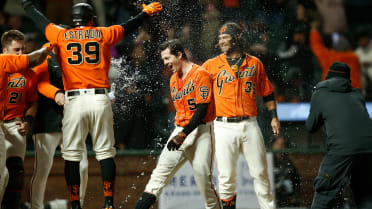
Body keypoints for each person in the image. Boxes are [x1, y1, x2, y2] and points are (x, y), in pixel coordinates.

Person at [21, 1, 163, 208]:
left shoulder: (61, 35)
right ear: (90, 18)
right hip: (99, 98)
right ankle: (108, 204)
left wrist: (26, 5)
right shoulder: (102, 34)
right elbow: (128, 26)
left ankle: (75, 205)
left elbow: (41, 21)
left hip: (74, 100)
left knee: (71, 155)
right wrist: (145, 13)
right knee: (105, 153)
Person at [134, 39, 221, 209]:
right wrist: (180, 133)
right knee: (157, 178)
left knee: (204, 182)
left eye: (167, 58)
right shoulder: (173, 79)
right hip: (181, 130)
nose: (165, 63)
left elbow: (202, 110)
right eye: (163, 60)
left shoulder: (200, 73)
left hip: (202, 131)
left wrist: (182, 135)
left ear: (179, 55)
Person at [202, 22, 280, 209]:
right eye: (220, 38)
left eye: (225, 37)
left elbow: (267, 93)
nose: (221, 41)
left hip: (250, 124)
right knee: (226, 176)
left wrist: (274, 116)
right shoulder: (210, 65)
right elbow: (197, 91)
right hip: (222, 126)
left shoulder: (254, 63)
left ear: (237, 38)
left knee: (261, 172)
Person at [30, 42, 89, 209]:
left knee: (83, 165)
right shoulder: (44, 55)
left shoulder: (77, 57)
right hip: (47, 118)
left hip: (70, 119)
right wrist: (56, 93)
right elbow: (39, 83)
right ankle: (36, 207)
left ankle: (78, 205)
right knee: (42, 169)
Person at [306, 61, 372, 209]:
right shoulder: (357, 94)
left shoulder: (320, 93)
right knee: (366, 194)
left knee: (324, 189)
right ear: (347, 79)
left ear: (328, 76)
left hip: (341, 150)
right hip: (369, 148)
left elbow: (310, 127)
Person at [0, 40, 53, 205]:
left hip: (15, 123)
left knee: (16, 175)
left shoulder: (28, 73)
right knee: (2, 174)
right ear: (4, 50)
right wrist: (51, 43)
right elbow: (36, 58)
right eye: (16, 50)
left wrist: (28, 121)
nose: (20, 53)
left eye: (22, 49)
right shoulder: (2, 62)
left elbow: (32, 102)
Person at [271, 136, 301, 207]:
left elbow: (296, 181)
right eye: (277, 144)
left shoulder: (289, 162)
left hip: (287, 198)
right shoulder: (268, 161)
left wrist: (295, 196)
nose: (280, 146)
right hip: (273, 197)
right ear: (273, 145)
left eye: (282, 144)